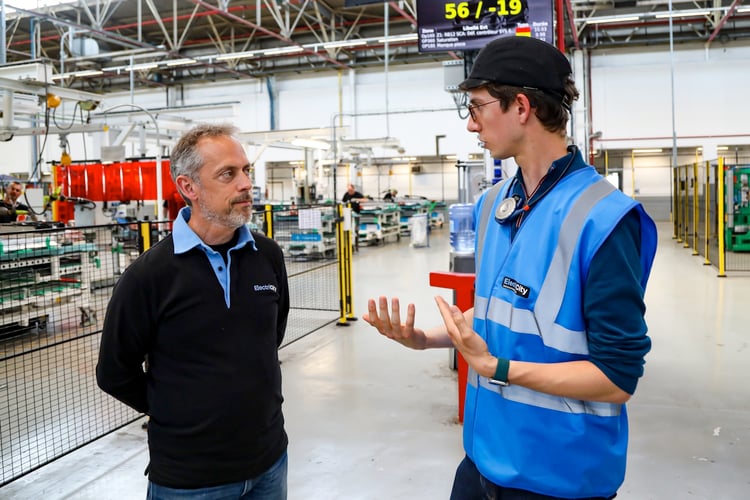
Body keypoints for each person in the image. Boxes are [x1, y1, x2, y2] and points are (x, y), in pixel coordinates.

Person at [363, 36, 657, 500]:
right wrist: (427, 340)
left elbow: (617, 378)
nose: (470, 125)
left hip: (557, 477)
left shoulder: (603, 219)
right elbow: (504, 323)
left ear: (521, 107)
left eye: (477, 107)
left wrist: (497, 368)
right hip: (482, 462)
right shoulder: (493, 205)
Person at [96, 123, 290, 499]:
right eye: (228, 174)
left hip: (269, 461)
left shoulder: (267, 256)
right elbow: (114, 372)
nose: (246, 183)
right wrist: (179, 411)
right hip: (191, 479)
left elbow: (270, 338)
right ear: (189, 188)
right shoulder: (149, 276)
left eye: (246, 170)